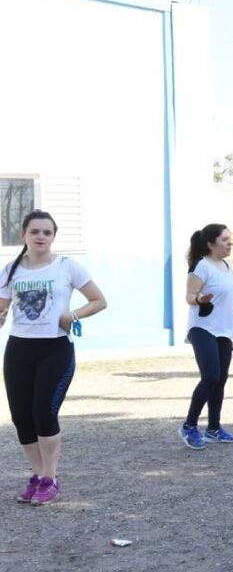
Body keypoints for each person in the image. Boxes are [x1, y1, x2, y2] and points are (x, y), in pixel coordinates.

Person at [0, 209, 107, 505]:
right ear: (24, 235)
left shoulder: (67, 267)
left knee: (43, 414)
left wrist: (71, 315)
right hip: (18, 349)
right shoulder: (10, 270)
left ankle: (51, 478)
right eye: (35, 231)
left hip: (55, 350)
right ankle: (36, 477)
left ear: (53, 237)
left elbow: (99, 300)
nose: (41, 237)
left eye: (47, 232)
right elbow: (2, 309)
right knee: (22, 417)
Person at [179, 224, 233, 450]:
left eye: (230, 238)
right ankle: (189, 426)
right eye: (225, 239)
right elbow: (189, 296)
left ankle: (214, 429)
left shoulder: (226, 265)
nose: (230, 242)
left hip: (223, 330)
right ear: (210, 244)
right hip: (202, 328)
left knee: (220, 379)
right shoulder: (201, 266)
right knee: (210, 376)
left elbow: (228, 291)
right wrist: (199, 300)